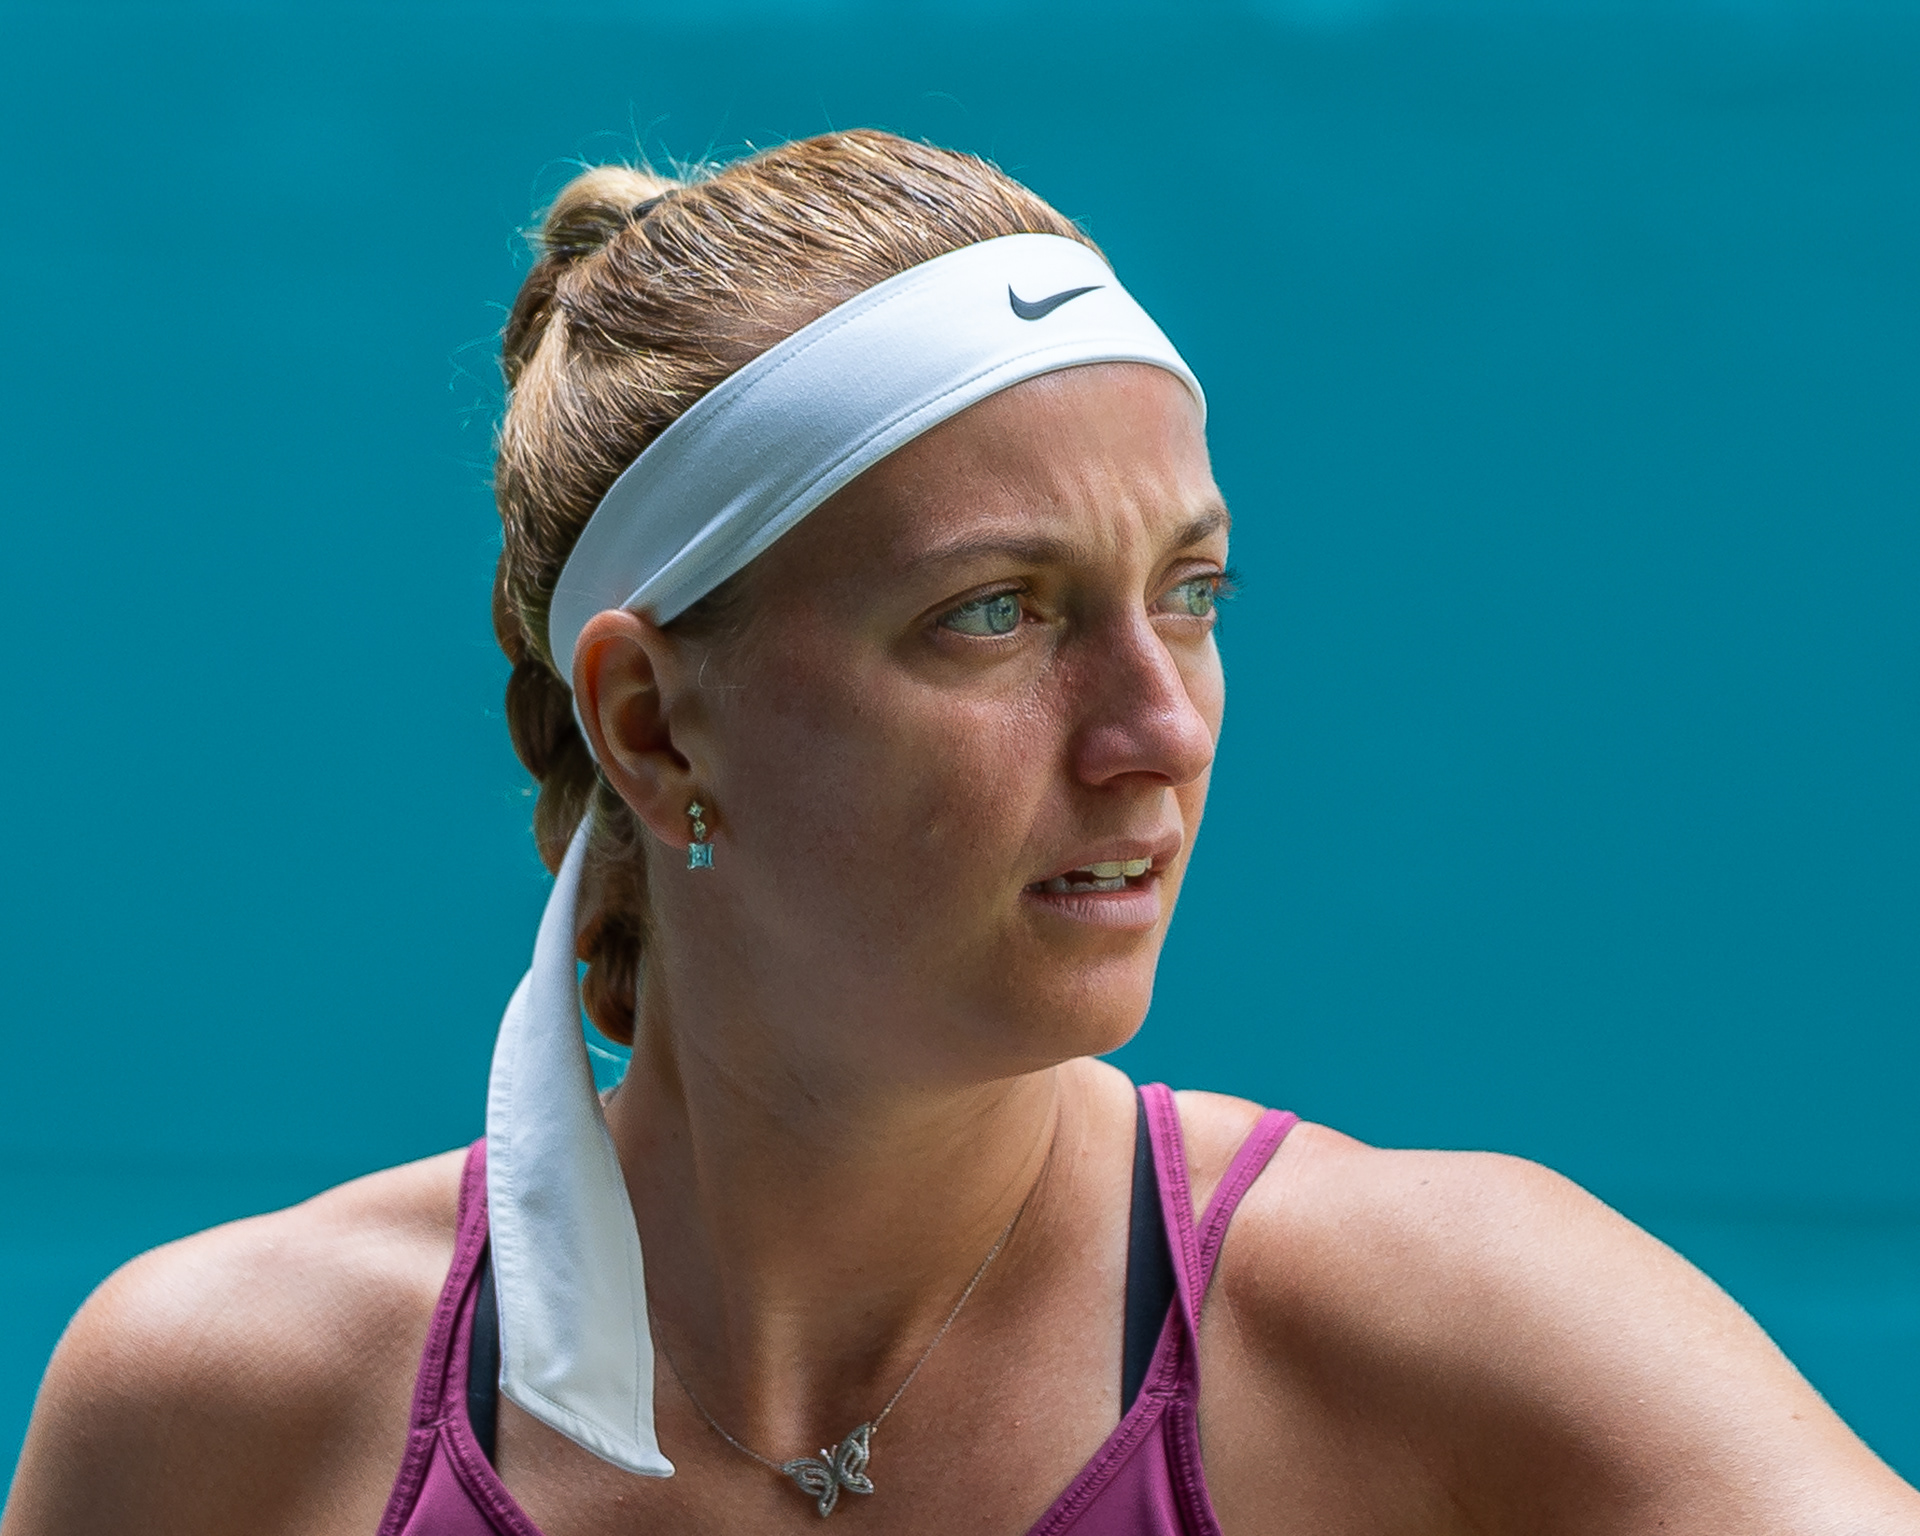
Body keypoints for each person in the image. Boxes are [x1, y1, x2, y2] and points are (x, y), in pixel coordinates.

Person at [3, 129, 1914, 1536]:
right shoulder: (223, 1414)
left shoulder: (1465, 1335)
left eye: (1192, 594)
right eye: (994, 613)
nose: (1159, 729)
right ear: (652, 724)